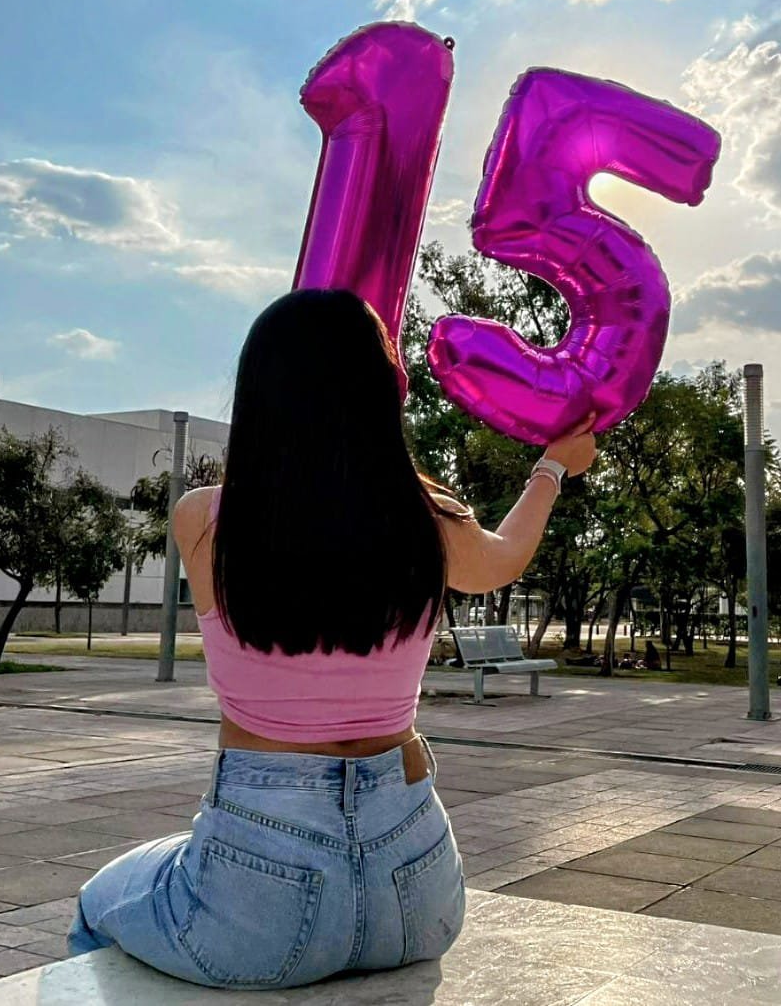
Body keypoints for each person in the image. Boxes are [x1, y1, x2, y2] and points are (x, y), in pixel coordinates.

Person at [67, 290, 597, 989]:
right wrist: (551, 467)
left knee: (98, 904)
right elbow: (505, 556)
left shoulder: (202, 521)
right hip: (419, 898)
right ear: (380, 393)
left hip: (256, 902)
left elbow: (293, 516)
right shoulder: (428, 522)